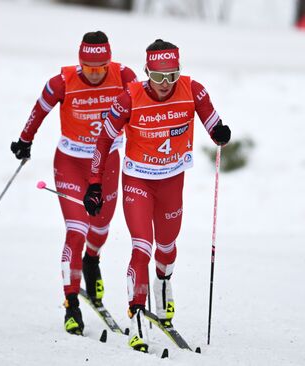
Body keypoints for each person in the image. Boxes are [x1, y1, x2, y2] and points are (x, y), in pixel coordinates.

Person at [83, 39, 231, 352]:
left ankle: (162, 287)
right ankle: (137, 313)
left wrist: (220, 132)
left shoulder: (193, 89)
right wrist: (95, 181)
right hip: (138, 181)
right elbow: (104, 138)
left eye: (172, 76)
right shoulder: (129, 97)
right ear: (146, 72)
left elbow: (211, 119)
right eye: (158, 77)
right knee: (142, 247)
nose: (165, 85)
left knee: (167, 247)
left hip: (171, 181)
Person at [10, 31, 137, 336]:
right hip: (70, 162)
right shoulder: (63, 82)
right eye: (89, 68)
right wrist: (25, 140)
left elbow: (145, 108)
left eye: (100, 68)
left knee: (101, 226)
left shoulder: (123, 76)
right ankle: (71, 305)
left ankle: (91, 261)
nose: (95, 74)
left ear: (109, 62)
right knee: (77, 228)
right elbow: (38, 111)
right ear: (80, 63)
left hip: (107, 161)